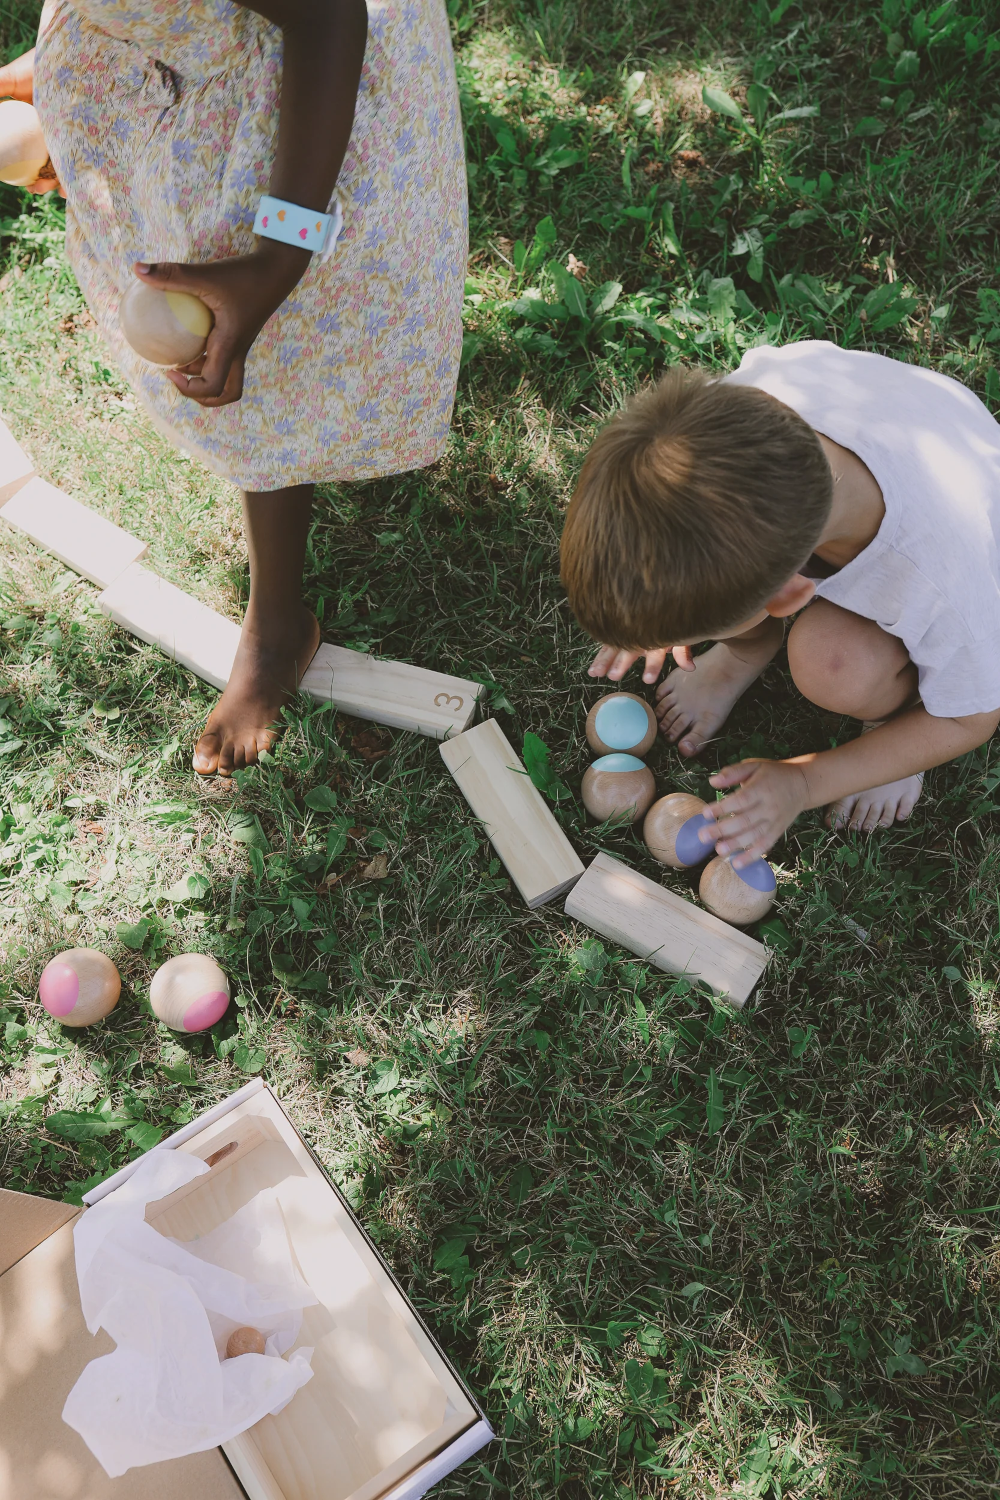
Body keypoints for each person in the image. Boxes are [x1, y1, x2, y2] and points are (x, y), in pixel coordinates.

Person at [0, 0, 467, 776]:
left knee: (267, 355)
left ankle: (278, 626)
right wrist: (68, 58)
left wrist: (278, 259)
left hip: (297, 87)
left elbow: (327, 18)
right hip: (189, 70)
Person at [560, 341, 1000, 867]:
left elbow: (970, 720)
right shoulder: (727, 420)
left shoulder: (943, 580)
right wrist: (655, 605)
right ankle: (742, 655)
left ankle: (893, 723)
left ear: (791, 596)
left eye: (702, 631)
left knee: (834, 665)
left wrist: (806, 780)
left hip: (959, 490)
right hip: (886, 426)